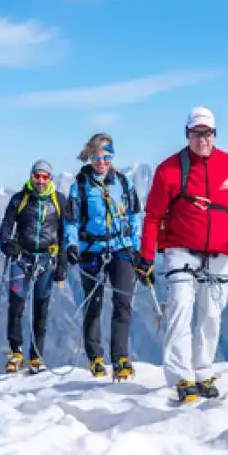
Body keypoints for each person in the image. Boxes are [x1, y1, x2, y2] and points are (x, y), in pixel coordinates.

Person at [134, 106, 228, 403]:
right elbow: (152, 215)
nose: (202, 139)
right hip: (179, 250)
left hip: (218, 253)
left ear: (215, 134)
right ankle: (181, 376)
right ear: (187, 134)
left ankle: (203, 372)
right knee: (179, 310)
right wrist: (146, 254)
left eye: (207, 133)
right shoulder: (170, 170)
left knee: (211, 315)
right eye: (196, 133)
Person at [64, 132, 142, 380]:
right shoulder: (79, 186)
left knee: (123, 304)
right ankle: (95, 356)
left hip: (121, 248)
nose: (102, 161)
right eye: (97, 156)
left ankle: (120, 357)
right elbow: (71, 220)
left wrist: (136, 247)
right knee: (93, 304)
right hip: (92, 251)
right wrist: (71, 244)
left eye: (107, 156)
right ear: (89, 156)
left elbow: (134, 215)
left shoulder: (123, 182)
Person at [0, 159, 68, 375]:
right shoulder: (20, 199)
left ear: (50, 179)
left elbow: (66, 234)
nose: (40, 180)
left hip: (47, 261)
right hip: (22, 259)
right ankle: (15, 352)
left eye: (44, 176)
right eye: (36, 176)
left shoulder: (59, 200)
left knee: (41, 309)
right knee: (16, 305)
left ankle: (36, 356)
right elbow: (7, 224)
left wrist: (62, 266)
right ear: (31, 176)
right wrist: (6, 244)